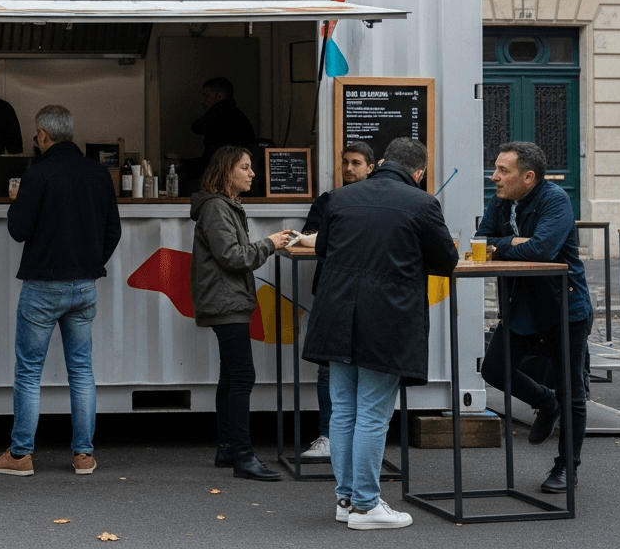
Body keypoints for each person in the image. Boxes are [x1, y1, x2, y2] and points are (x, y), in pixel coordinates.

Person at [302, 138, 458, 530]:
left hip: (335, 314)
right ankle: (366, 506)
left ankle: (346, 500)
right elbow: (446, 261)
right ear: (418, 173)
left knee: (343, 409)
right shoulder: (423, 203)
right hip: (385, 318)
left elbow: (323, 249)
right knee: (372, 412)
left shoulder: (339, 198)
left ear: (383, 161)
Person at [0, 105, 121, 477]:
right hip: (84, 286)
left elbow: (19, 230)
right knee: (82, 370)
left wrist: (17, 203)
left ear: (43, 135)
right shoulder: (99, 174)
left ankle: (21, 455)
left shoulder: (37, 174)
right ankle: (83, 455)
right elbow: (114, 230)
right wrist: (90, 263)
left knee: (29, 372)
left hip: (42, 287)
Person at [477, 141, 591, 495]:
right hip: (521, 306)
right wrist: (513, 242)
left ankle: (566, 466)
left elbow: (541, 249)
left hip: (563, 308)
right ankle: (544, 401)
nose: (494, 177)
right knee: (494, 370)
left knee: (571, 391)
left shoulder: (555, 199)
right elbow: (481, 241)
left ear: (528, 177)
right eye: (496, 169)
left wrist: (502, 245)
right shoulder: (500, 200)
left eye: (503, 171)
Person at [190, 145, 295, 481]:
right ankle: (244, 457)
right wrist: (270, 243)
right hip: (226, 301)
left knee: (231, 375)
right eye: (245, 167)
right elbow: (233, 257)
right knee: (243, 376)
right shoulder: (217, 208)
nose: (252, 174)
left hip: (226, 299)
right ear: (227, 172)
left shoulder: (224, 206)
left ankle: (228, 449)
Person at [294, 141, 377, 463]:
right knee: (329, 367)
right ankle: (328, 436)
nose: (349, 168)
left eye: (356, 162)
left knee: (370, 367)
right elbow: (309, 238)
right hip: (331, 292)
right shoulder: (328, 200)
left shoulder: (381, 201)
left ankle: (362, 437)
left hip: (370, 293)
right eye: (345, 162)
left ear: (371, 167)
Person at [185, 77, 259, 177]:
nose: (203, 101)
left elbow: (197, 127)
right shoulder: (239, 116)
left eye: (206, 96)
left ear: (219, 96)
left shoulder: (219, 113)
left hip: (221, 173)